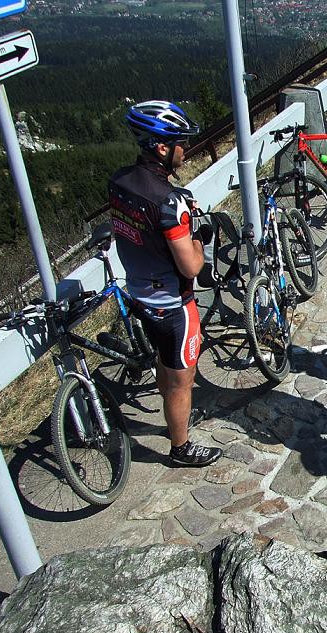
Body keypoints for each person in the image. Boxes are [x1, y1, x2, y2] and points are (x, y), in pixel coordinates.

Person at [109, 100, 222, 468]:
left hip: (140, 293)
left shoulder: (119, 182)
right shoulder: (170, 203)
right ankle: (180, 447)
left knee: (164, 360)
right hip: (174, 304)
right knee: (182, 380)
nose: (185, 150)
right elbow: (191, 266)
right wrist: (199, 237)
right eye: (180, 143)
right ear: (161, 147)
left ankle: (175, 418)